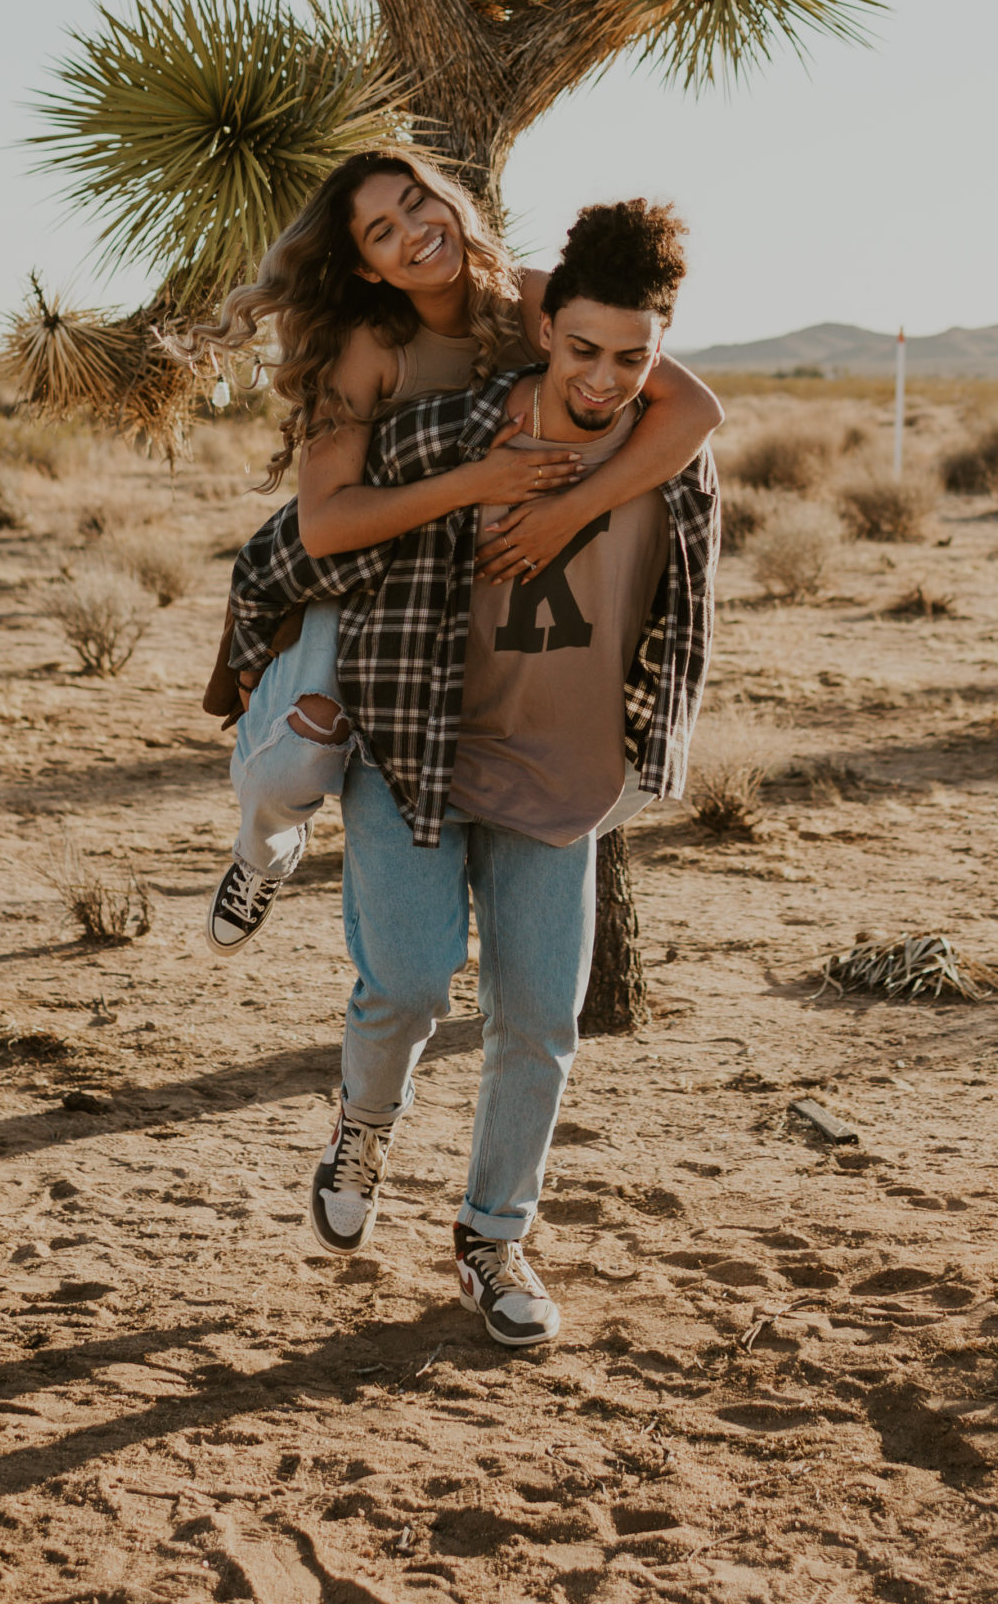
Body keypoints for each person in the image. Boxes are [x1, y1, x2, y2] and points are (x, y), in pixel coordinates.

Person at [226, 200, 719, 1346]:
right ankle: (364, 1122)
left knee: (539, 1020)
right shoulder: (452, 429)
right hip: (418, 752)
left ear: (658, 349)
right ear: (545, 325)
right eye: (583, 347)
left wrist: (569, 513)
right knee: (406, 981)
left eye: (630, 357)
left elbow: (683, 597)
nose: (603, 377)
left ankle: (491, 1236)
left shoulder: (674, 462)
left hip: (566, 775)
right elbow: (305, 532)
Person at [170, 148, 722, 955]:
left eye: (417, 203)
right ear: (364, 267)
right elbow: (326, 525)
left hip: (465, 578)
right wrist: (477, 480)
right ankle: (262, 853)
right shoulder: (367, 347)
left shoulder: (529, 297)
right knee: (294, 763)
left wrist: (564, 514)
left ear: (449, 200)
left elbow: (694, 410)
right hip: (367, 565)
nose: (415, 233)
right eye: (383, 232)